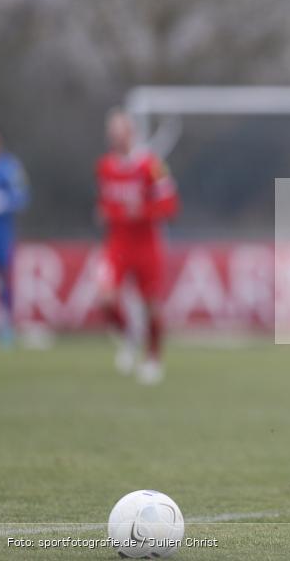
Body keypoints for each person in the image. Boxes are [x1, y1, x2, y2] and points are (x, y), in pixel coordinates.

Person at [96, 109, 179, 385]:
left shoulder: (150, 166)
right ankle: (130, 337)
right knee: (105, 300)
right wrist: (105, 211)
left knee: (151, 306)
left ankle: (153, 357)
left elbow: (170, 205)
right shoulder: (105, 166)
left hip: (147, 246)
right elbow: (106, 203)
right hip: (117, 244)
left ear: (130, 133)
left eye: (120, 130)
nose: (115, 136)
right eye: (112, 131)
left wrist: (141, 210)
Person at [0, 127, 29, 347]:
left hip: (2, 232)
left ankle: (6, 326)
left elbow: (23, 195)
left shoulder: (10, 167)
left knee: (5, 276)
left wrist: (3, 201)